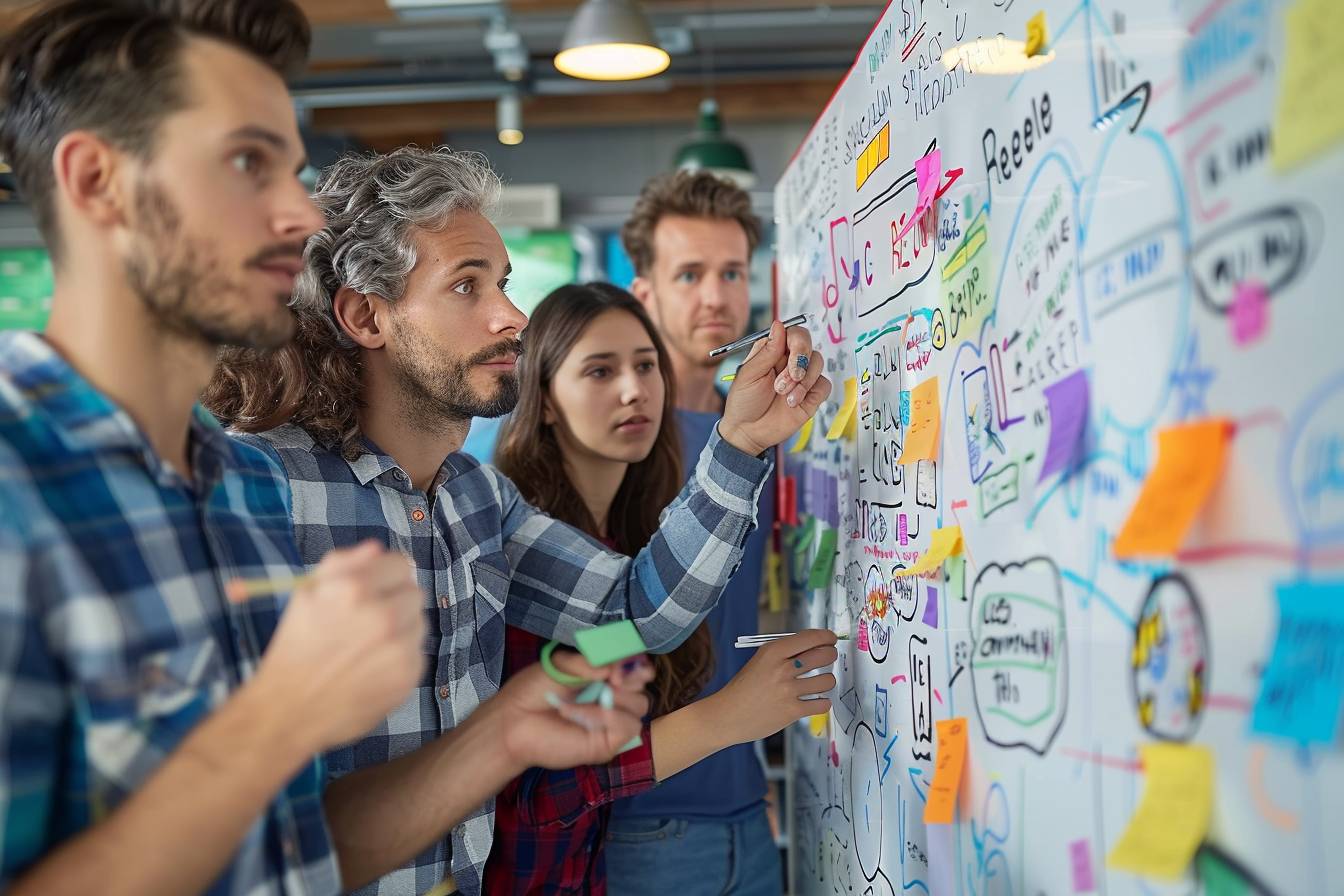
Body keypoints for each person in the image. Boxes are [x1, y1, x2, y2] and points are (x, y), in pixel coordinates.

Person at [0, 3, 648, 895]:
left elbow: (298, 849)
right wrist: (272, 720)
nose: (300, 213)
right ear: (98, 181)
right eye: (246, 162)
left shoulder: (234, 489)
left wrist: (499, 735)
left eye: (292, 170)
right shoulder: (18, 485)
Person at [202, 145, 830, 896]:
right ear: (365, 315)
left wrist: (739, 442)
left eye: (500, 282)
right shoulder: (259, 488)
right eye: (467, 286)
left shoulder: (476, 498)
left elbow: (636, 615)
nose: (512, 315)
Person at [485, 281, 838, 895]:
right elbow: (536, 794)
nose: (634, 389)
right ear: (542, 400)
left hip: (715, 834)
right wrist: (724, 720)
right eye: (600, 371)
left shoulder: (637, 534)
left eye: (646, 366)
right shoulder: (521, 548)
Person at [607, 171, 790, 895]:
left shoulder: (767, 430)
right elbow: (580, 637)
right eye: (689, 274)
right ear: (644, 289)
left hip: (748, 810)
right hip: (638, 818)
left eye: (732, 272)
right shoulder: (606, 441)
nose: (715, 296)